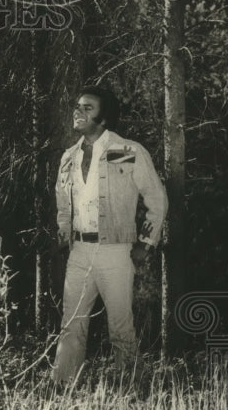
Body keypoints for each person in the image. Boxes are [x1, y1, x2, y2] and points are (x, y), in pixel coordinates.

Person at [52, 85, 167, 385]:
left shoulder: (123, 151)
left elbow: (156, 198)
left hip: (115, 251)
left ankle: (131, 387)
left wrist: (146, 242)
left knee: (120, 325)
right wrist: (64, 235)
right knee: (71, 323)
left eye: (87, 108)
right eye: (78, 106)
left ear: (103, 118)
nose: (78, 112)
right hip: (78, 251)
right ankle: (63, 386)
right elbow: (63, 203)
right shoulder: (69, 157)